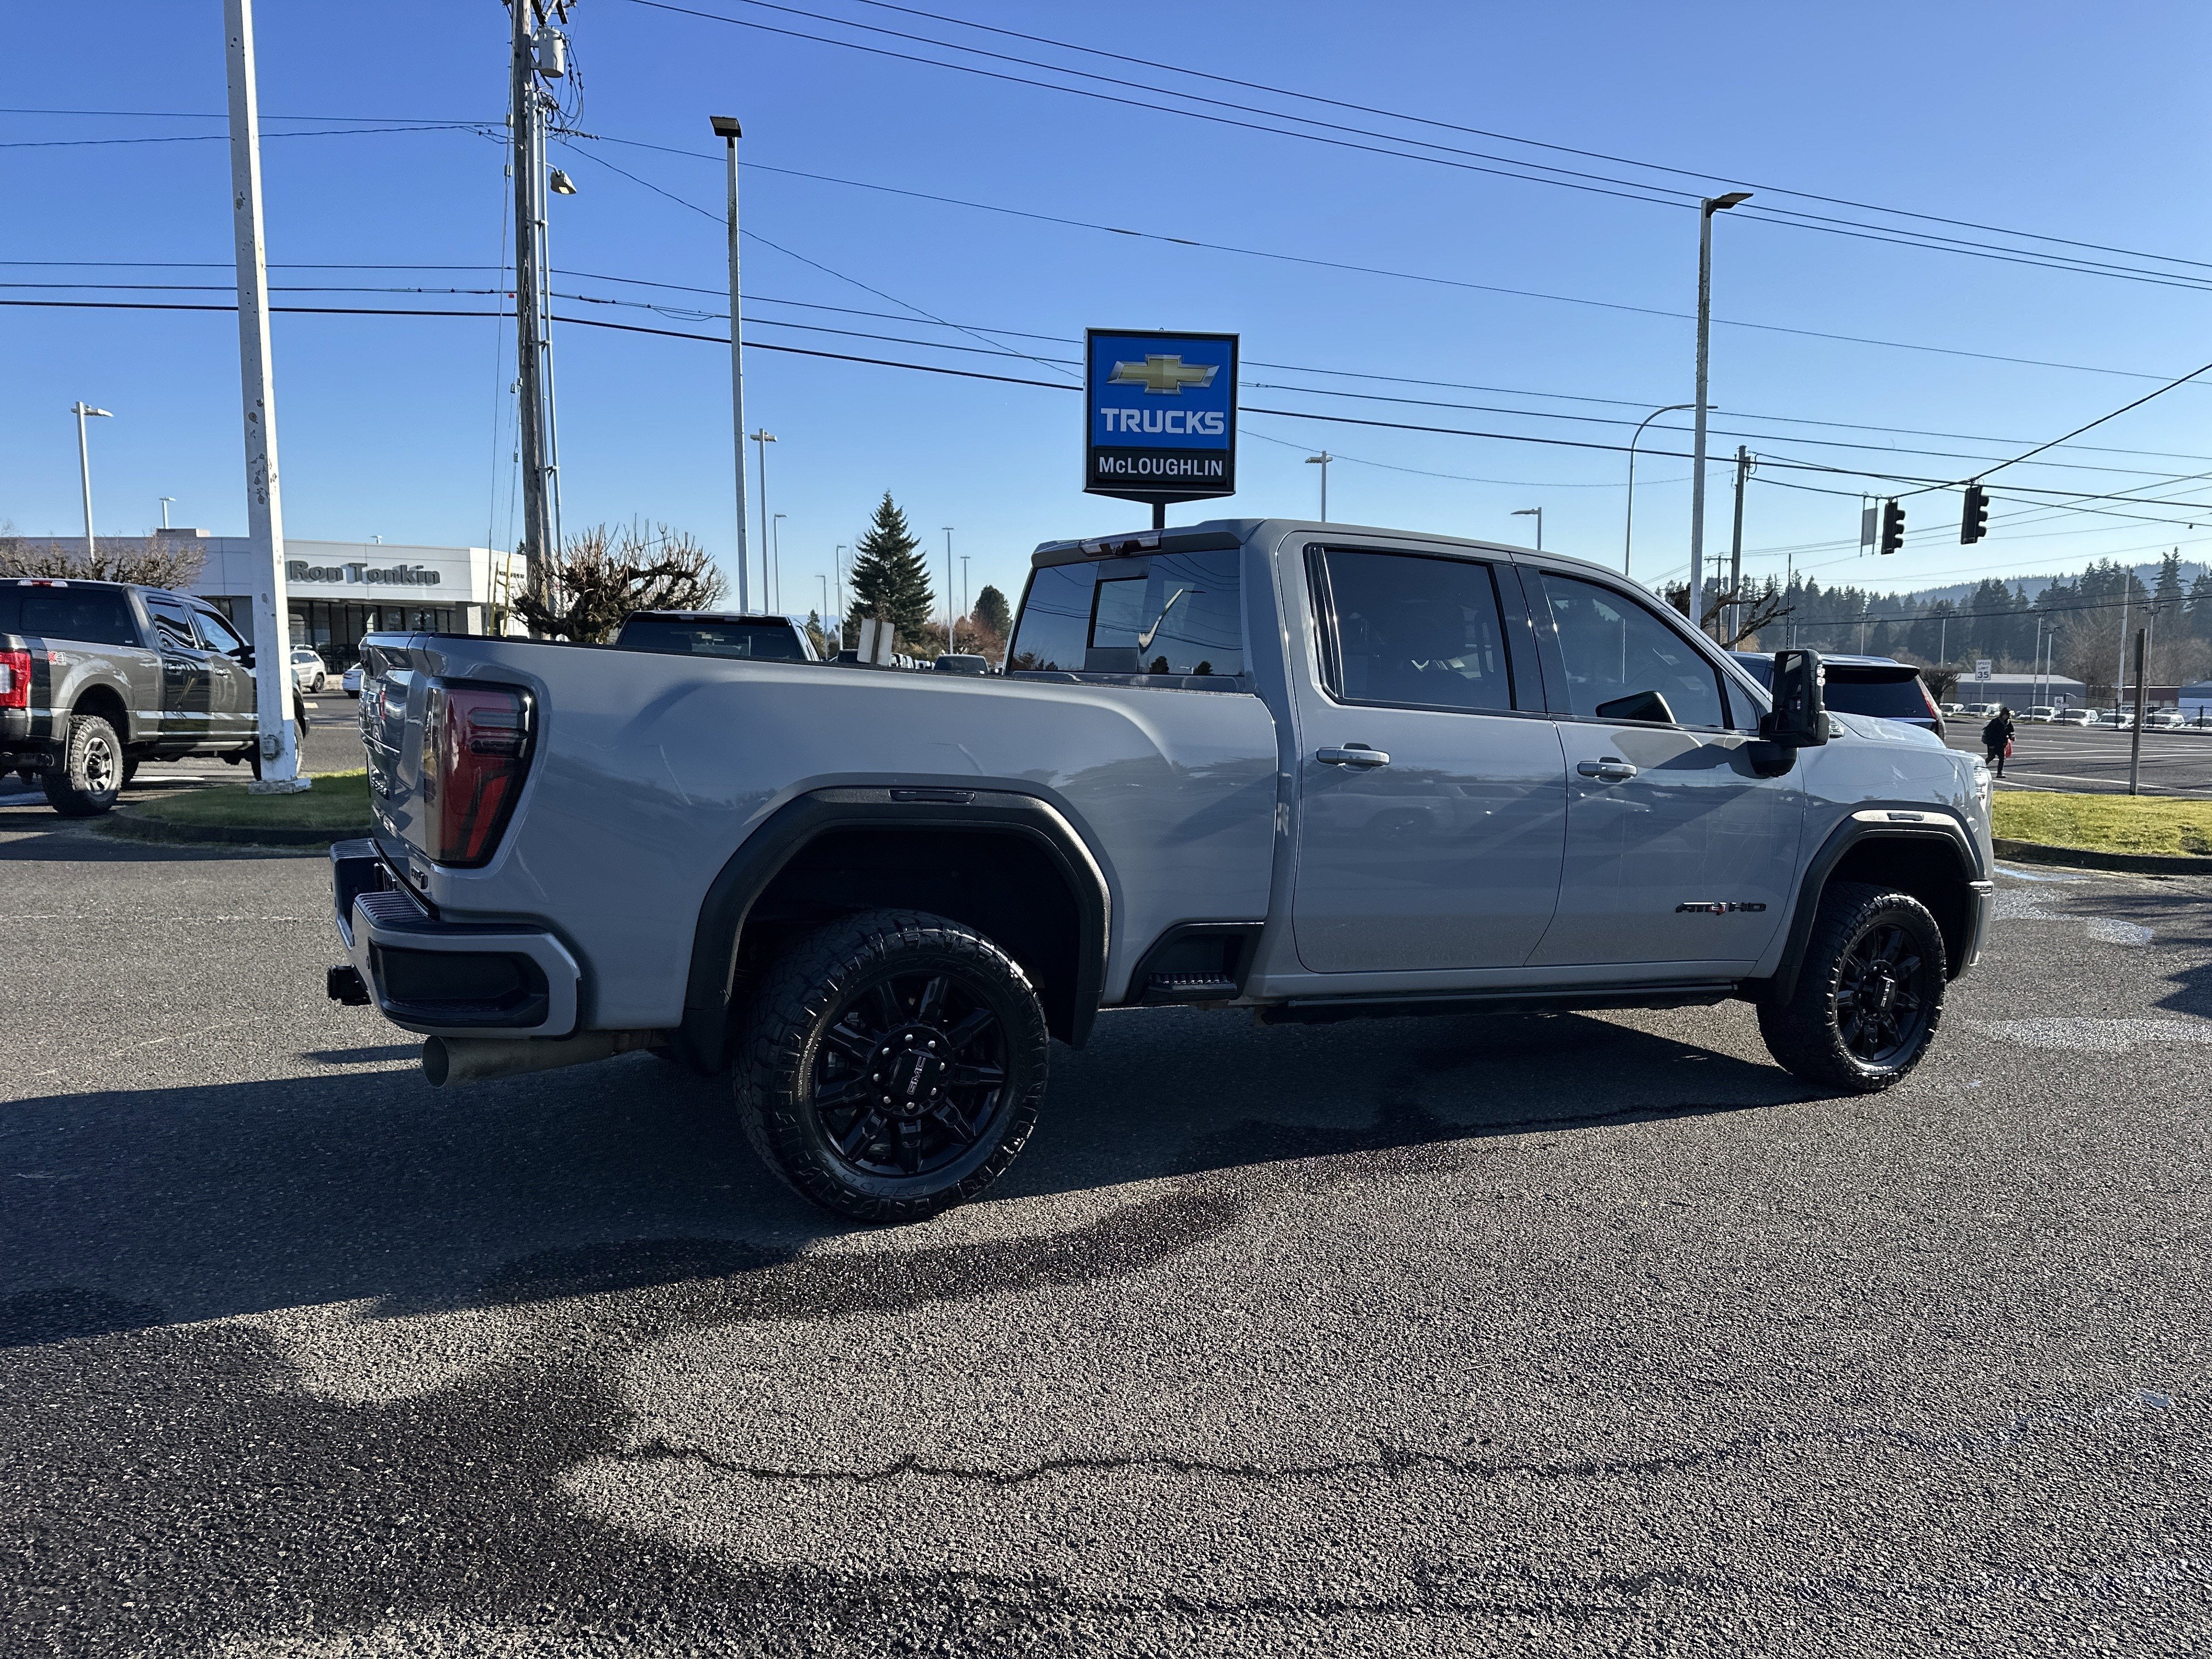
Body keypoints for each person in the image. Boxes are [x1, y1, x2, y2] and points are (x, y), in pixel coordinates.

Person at [1982, 706, 2016, 778]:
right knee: (1991, 757)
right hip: (1993, 743)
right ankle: (1981, 766)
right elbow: (1989, 733)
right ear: (2002, 714)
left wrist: (2012, 737)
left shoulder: (2009, 723)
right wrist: (1990, 744)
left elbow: (2011, 731)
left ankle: (2000, 773)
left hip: (2002, 743)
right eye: (2005, 715)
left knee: (2002, 758)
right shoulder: (1995, 722)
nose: (2006, 717)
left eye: (2007, 715)